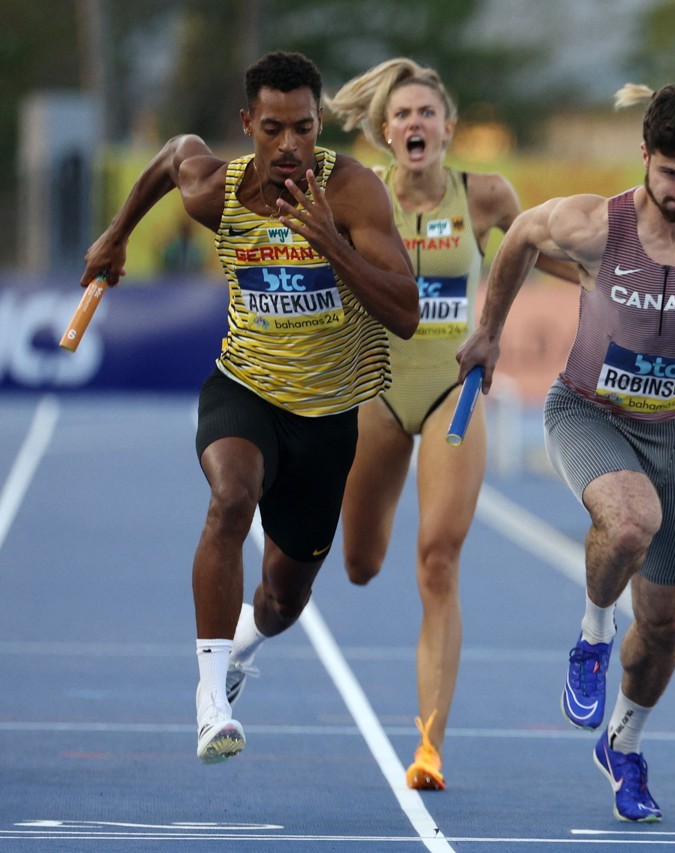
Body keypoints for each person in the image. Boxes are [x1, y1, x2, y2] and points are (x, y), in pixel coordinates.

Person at [455, 81, 675, 822]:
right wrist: (489, 330)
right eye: (671, 173)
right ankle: (591, 636)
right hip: (587, 412)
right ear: (645, 157)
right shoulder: (592, 224)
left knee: (669, 622)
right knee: (629, 521)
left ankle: (625, 745)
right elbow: (518, 238)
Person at [80, 50, 420, 765]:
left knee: (281, 601)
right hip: (245, 388)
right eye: (273, 129)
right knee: (230, 498)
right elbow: (175, 155)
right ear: (248, 125)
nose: (290, 145)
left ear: (318, 122)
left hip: (327, 418)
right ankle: (210, 701)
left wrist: (333, 243)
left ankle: (244, 641)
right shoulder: (220, 190)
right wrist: (118, 233)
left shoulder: (354, 194)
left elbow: (406, 313)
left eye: (303, 127)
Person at [319, 58, 577, 790]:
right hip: (373, 388)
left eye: (426, 113)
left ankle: (429, 744)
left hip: (451, 393)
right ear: (383, 131)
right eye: (400, 115)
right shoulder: (355, 195)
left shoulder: (485, 196)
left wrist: (617, 277)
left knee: (437, 558)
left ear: (449, 127)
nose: (414, 125)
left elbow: (540, 256)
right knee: (361, 563)